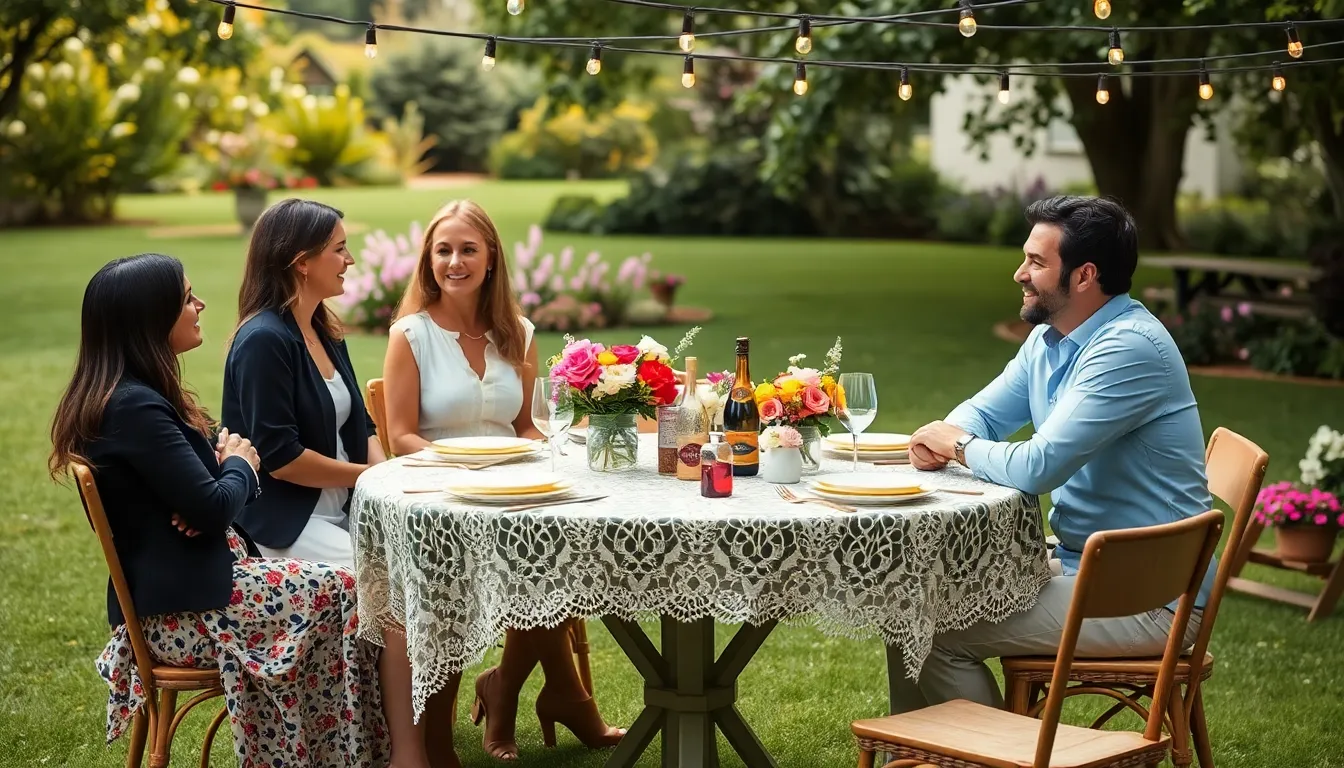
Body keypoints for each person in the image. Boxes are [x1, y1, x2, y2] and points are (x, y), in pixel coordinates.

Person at [49, 253, 392, 768]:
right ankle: (332, 756)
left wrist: (220, 485)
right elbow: (220, 494)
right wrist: (233, 473)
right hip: (186, 612)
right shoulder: (133, 407)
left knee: (354, 587)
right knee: (353, 591)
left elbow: (213, 495)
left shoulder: (136, 397)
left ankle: (338, 753)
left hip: (199, 582)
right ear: (150, 316)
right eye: (186, 298)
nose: (200, 303)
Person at [901, 195, 1213, 712]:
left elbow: (1038, 466)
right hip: (1083, 564)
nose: (1020, 273)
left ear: (1085, 275)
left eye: (1037, 262)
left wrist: (954, 445)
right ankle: (923, 757)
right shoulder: (1051, 337)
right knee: (912, 602)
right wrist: (955, 435)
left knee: (928, 628)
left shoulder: (1128, 349)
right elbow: (980, 413)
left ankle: (986, 756)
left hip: (1151, 596)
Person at [382, 199, 625, 762]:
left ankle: (518, 689)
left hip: (516, 493)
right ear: (428, 260)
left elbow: (526, 426)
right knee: (534, 569)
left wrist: (557, 450)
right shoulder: (410, 335)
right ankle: (562, 696)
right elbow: (401, 437)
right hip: (441, 500)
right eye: (443, 250)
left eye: (468, 249)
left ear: (491, 258)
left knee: (556, 552)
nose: (455, 261)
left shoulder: (517, 331)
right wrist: (468, 466)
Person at [222, 198, 385, 569]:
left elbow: (363, 422)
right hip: (287, 525)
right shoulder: (263, 341)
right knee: (384, 577)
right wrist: (373, 477)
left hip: (345, 510)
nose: (351, 260)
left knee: (428, 563)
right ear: (302, 263)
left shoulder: (324, 329)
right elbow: (280, 458)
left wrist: (386, 484)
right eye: (340, 249)